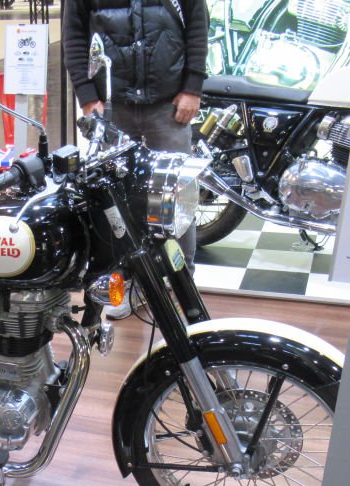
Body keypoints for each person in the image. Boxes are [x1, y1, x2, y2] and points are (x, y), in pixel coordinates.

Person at [63, 0, 207, 318]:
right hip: (111, 105)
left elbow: (197, 22)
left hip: (169, 103)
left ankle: (183, 286)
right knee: (113, 203)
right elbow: (73, 35)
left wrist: (193, 87)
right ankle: (126, 285)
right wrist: (87, 96)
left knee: (175, 199)